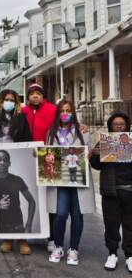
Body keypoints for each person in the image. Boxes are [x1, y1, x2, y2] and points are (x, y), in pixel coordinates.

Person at [0, 89, 33, 255]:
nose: (8, 102)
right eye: (5, 99)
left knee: (15, 203)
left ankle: (22, 239)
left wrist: (32, 152)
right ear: (0, 101)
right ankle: (7, 239)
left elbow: (28, 139)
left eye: (12, 100)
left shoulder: (21, 118)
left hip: (15, 152)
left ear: (16, 103)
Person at [46, 99, 95, 266]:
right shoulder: (51, 132)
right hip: (60, 181)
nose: (65, 113)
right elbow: (47, 153)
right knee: (59, 214)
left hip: (78, 180)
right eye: (62, 110)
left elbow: (88, 152)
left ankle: (74, 249)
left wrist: (88, 154)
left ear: (73, 112)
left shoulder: (83, 131)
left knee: (77, 214)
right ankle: (58, 246)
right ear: (57, 113)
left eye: (68, 110)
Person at [90, 111, 132, 273]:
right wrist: (95, 155)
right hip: (110, 191)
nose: (119, 126)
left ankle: (130, 255)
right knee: (111, 224)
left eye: (122, 124)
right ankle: (112, 253)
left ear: (127, 126)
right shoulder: (104, 142)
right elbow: (96, 166)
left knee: (130, 225)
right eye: (116, 124)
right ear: (110, 127)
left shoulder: (130, 140)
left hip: (129, 191)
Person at [21, 83, 57, 252]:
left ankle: (52, 237)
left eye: (38, 93)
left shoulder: (52, 110)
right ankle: (34, 232)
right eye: (32, 93)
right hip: (27, 158)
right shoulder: (23, 111)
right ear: (28, 97)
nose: (35, 96)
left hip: (47, 159)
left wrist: (82, 127)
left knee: (49, 198)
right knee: (31, 195)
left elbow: (66, 125)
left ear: (43, 96)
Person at [0, 150, 36, 234]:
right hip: (1, 226)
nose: (2, 162)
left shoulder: (17, 180)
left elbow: (32, 201)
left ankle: (22, 241)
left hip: (18, 225)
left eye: (5, 160)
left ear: (9, 163)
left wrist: (29, 225)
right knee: (6, 247)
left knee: (23, 246)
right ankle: (8, 242)